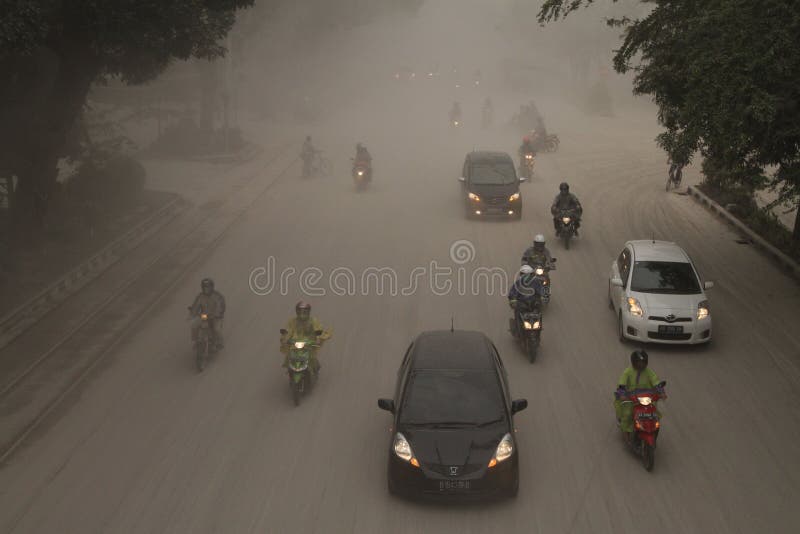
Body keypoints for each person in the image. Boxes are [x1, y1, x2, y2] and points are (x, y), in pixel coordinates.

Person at [614, 350, 663, 445]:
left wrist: (661, 392)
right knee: (627, 414)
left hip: (647, 398)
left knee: (655, 414)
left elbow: (656, 382)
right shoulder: (628, 372)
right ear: (633, 362)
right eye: (638, 363)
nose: (641, 365)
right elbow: (622, 384)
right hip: (630, 398)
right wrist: (623, 394)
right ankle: (626, 434)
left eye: (643, 363)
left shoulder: (649, 372)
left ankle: (652, 430)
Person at [280, 301, 332, 374]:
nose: (302, 313)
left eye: (304, 311)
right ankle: (290, 369)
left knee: (312, 356)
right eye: (300, 311)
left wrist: (318, 337)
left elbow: (317, 329)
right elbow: (288, 330)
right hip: (295, 342)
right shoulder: (292, 321)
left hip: (309, 342)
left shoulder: (313, 321)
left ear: (308, 311)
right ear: (296, 311)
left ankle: (315, 369)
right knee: (289, 355)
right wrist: (285, 337)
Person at [189, 278, 226, 349]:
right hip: (204, 316)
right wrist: (193, 312)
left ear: (212, 287)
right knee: (194, 324)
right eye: (204, 287)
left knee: (217, 329)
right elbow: (196, 306)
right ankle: (196, 341)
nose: (206, 289)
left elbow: (221, 306)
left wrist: (217, 314)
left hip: (216, 317)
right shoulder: (200, 297)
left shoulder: (217, 296)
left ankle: (219, 343)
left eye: (208, 287)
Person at [507, 265, 544, 336]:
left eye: (527, 274)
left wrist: (542, 299)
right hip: (522, 305)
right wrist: (513, 301)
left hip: (533, 305)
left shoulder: (536, 282)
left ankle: (539, 328)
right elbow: (512, 293)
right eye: (523, 274)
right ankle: (518, 329)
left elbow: (541, 292)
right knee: (517, 313)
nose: (525, 276)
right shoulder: (518, 283)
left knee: (539, 314)